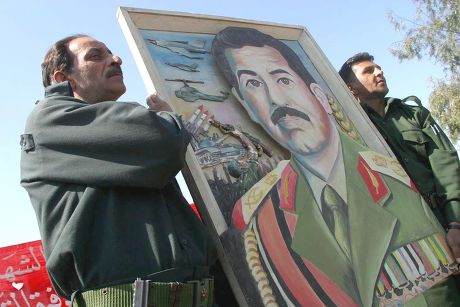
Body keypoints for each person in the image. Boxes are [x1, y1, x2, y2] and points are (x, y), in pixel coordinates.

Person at [212, 27, 460, 307]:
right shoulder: (260, 221)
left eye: (282, 79)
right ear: (247, 107)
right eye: (253, 85)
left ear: (318, 93)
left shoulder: (394, 178)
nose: (276, 99)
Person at [20, 34, 215, 306]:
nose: (116, 59)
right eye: (95, 55)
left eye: (111, 53)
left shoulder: (115, 136)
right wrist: (167, 119)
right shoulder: (51, 120)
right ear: (63, 79)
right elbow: (162, 140)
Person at [339, 52, 460, 260]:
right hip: (407, 241)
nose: (379, 72)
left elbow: (447, 167)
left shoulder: (414, 115)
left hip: (447, 221)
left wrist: (455, 222)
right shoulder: (350, 130)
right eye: (369, 71)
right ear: (351, 87)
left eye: (378, 68)